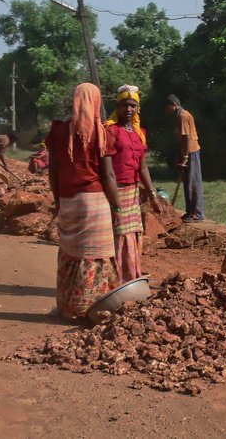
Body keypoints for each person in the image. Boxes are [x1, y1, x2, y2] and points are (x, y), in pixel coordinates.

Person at [45, 83, 122, 319]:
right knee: (95, 255)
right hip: (95, 201)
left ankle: (68, 306)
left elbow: (53, 171)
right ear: (96, 102)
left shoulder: (58, 132)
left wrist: (58, 201)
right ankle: (93, 307)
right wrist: (117, 205)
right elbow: (108, 175)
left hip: (69, 201)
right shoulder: (101, 133)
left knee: (71, 253)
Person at [104, 85, 162, 282]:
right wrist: (114, 201)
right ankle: (116, 279)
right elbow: (108, 170)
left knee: (133, 233)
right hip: (116, 189)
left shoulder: (139, 132)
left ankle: (130, 275)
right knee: (119, 234)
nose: (128, 110)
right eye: (124, 105)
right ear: (117, 106)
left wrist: (153, 195)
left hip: (133, 189)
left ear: (138, 108)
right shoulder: (110, 131)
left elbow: (143, 167)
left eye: (132, 105)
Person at [164, 94, 203, 221]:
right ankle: (190, 211)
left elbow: (186, 138)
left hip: (191, 151)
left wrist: (185, 157)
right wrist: (179, 155)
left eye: (167, 107)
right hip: (187, 151)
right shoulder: (178, 116)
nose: (166, 111)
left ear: (173, 105)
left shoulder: (183, 116)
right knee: (188, 182)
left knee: (192, 183)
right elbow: (181, 139)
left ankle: (195, 213)